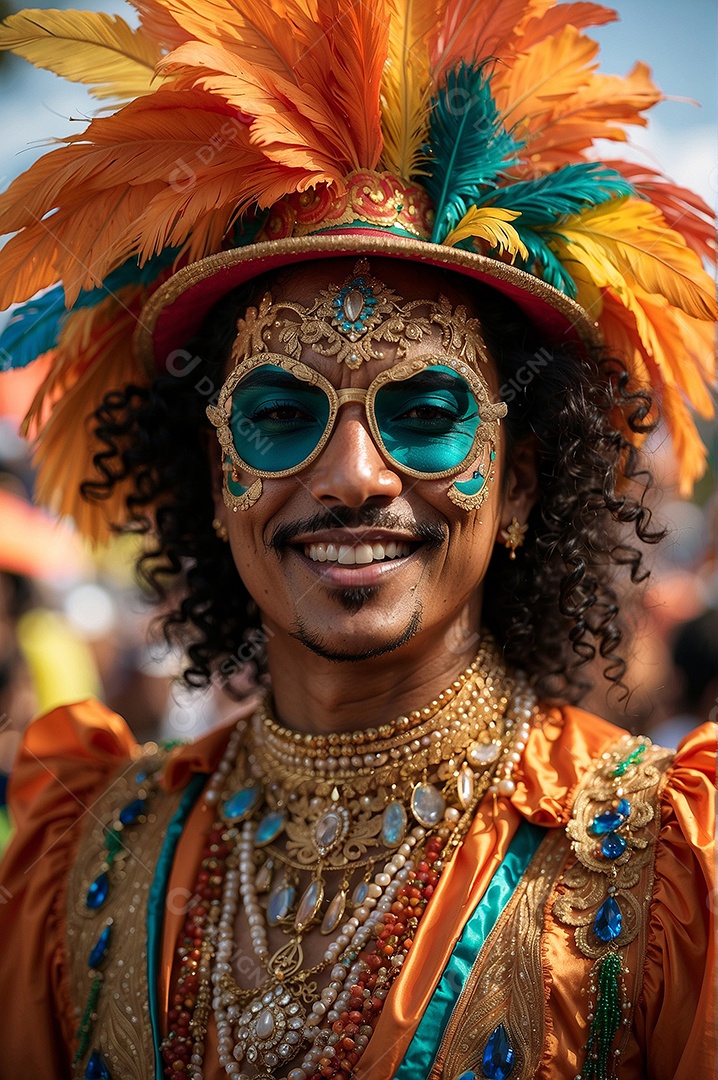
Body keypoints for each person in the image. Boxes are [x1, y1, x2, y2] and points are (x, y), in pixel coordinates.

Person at [0, 1, 714, 1078]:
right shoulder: (92, 852)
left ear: (517, 483)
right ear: (215, 482)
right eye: (280, 414)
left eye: (425, 413)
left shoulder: (665, 868)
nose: (350, 475)